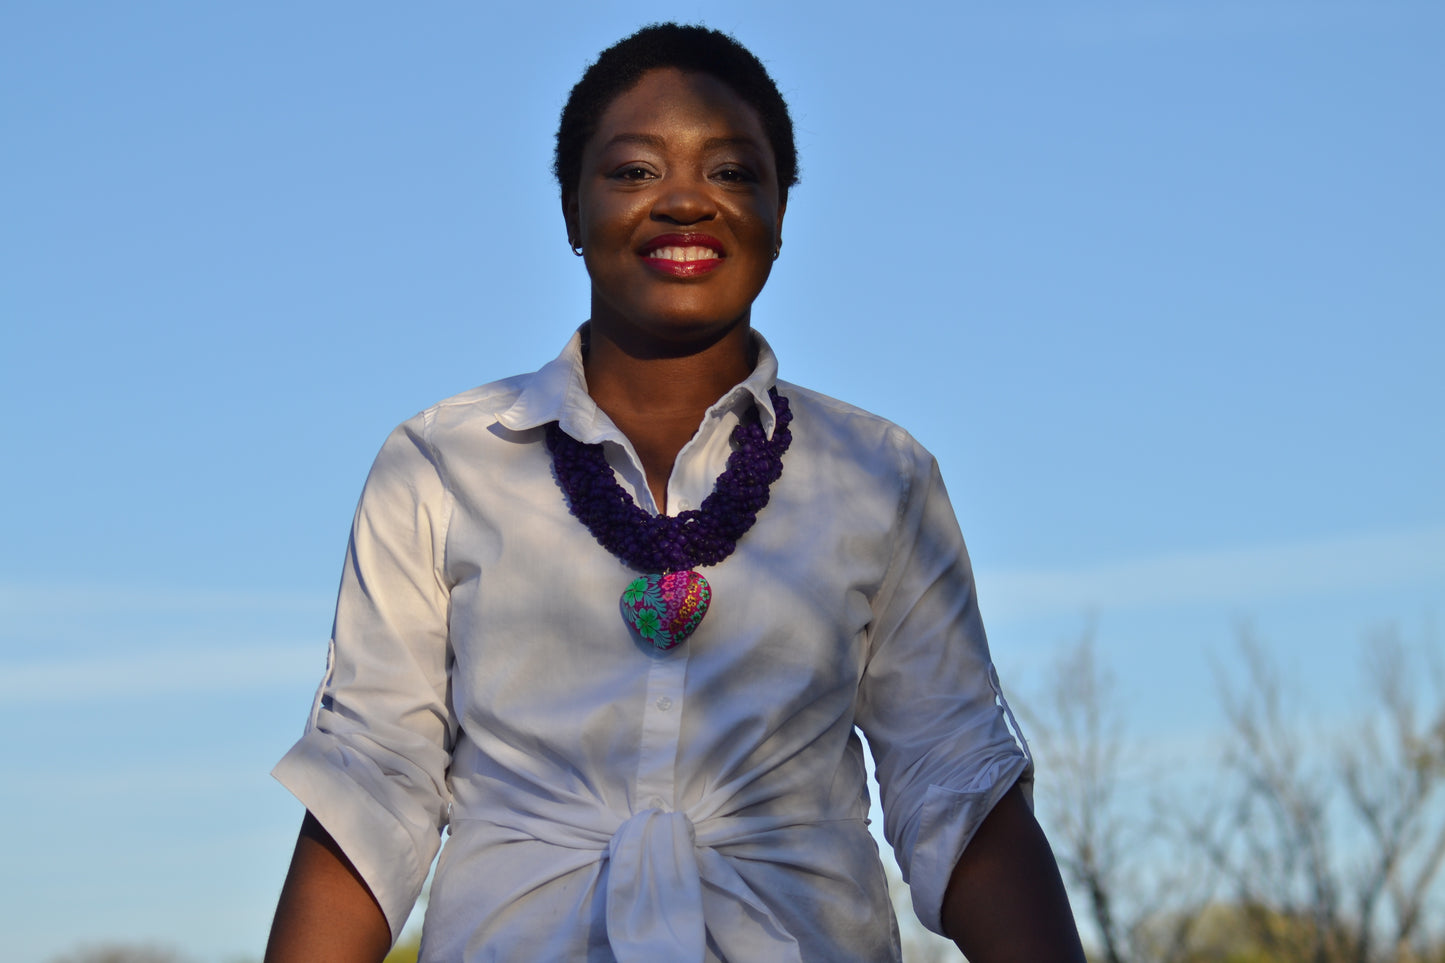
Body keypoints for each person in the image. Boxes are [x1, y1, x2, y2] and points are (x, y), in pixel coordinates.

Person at [265, 23, 1085, 963]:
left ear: (781, 214)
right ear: (571, 211)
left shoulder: (878, 474)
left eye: (734, 172)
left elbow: (952, 779)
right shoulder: (440, 463)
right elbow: (374, 776)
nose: (686, 201)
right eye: (633, 172)